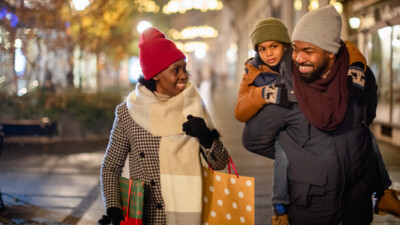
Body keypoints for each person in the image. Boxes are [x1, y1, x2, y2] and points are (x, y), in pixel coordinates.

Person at [242, 5, 390, 224]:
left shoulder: (357, 80)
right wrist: (300, 157)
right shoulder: (284, 92)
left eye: (308, 51)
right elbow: (253, 140)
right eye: (296, 49)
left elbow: (366, 118)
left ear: (330, 51)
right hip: (311, 206)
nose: (299, 58)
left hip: (356, 202)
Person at [99, 27, 229, 225]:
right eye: (175, 70)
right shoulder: (128, 112)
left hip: (192, 213)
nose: (184, 76)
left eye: (184, 69)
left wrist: (206, 136)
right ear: (156, 74)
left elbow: (220, 162)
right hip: (147, 216)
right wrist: (114, 208)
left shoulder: (193, 106)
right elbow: (111, 167)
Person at [235, 18, 293, 224]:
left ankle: (381, 191)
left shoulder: (299, 60)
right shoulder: (253, 71)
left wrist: (356, 65)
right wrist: (264, 94)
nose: (268, 53)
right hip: (272, 133)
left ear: (285, 45)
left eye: (274, 46)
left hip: (304, 130)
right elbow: (240, 112)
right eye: (262, 48)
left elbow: (346, 47)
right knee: (284, 147)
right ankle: (279, 206)